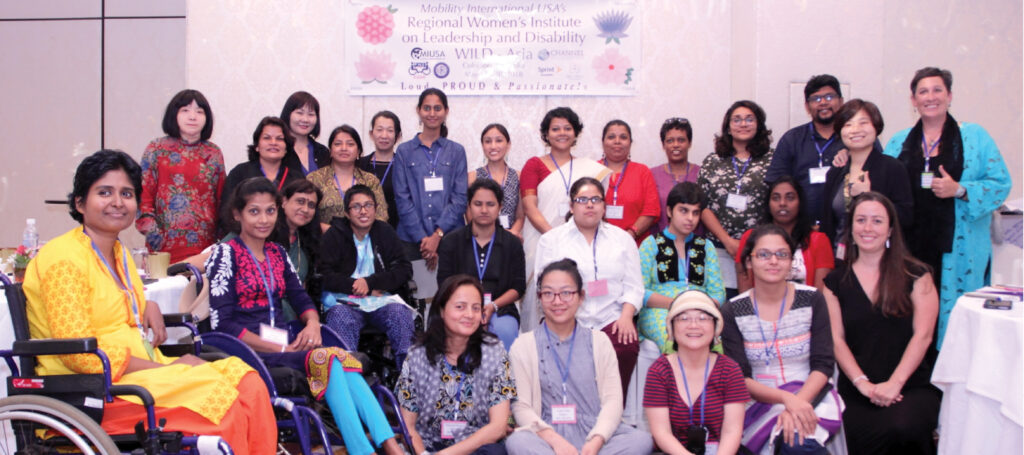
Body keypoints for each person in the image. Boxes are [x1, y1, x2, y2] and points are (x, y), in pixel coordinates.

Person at [24, 150, 276, 454]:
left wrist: (148, 304)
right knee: (220, 404)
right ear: (79, 203)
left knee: (248, 380)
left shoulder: (119, 254)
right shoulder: (63, 258)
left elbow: (118, 301)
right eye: (105, 192)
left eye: (126, 193)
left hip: (138, 375)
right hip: (93, 390)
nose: (118, 202)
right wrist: (162, 369)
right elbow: (80, 356)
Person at [206, 177, 403, 455]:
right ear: (237, 214)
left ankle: (391, 446)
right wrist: (281, 346)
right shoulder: (225, 254)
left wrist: (311, 323)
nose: (263, 219)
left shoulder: (276, 253)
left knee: (341, 359)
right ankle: (366, 451)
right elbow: (222, 324)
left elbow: (300, 297)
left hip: (284, 339)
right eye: (254, 211)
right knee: (329, 359)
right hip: (250, 350)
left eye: (270, 211)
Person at [882, 66, 1011, 348]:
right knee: (907, 319)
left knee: (956, 325)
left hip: (958, 247)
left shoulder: (975, 136)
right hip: (908, 248)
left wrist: (961, 190)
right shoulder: (898, 141)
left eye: (937, 90)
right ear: (913, 100)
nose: (931, 97)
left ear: (949, 95)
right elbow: (882, 186)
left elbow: (1001, 183)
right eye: (923, 91)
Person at [823, 192, 940, 454]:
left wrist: (894, 384)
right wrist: (863, 384)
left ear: (889, 230)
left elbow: (923, 336)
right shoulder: (833, 283)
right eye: (861, 220)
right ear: (851, 227)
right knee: (855, 430)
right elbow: (836, 340)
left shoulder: (917, 275)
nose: (867, 228)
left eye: (877, 221)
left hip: (910, 386)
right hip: (857, 389)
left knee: (901, 426)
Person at [507, 259, 653, 455]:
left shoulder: (599, 341)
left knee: (640, 440)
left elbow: (613, 401)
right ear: (540, 297)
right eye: (548, 293)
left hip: (594, 436)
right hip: (546, 437)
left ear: (581, 296)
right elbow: (522, 407)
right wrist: (556, 442)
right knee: (518, 442)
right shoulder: (523, 346)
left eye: (566, 293)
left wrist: (596, 442)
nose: (557, 301)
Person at [721, 224, 842, 454]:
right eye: (764, 255)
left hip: (811, 396)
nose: (773, 261)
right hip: (760, 404)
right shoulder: (733, 310)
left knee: (797, 442)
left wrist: (797, 404)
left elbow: (823, 364)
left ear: (791, 261)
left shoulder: (812, 299)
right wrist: (786, 400)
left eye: (782, 254)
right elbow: (741, 379)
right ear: (749, 262)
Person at [534, 177, 643, 399]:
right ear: (571, 206)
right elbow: (543, 288)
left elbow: (634, 285)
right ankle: (570, 409)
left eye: (595, 199)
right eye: (582, 199)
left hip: (611, 316)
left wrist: (626, 316)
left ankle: (612, 409)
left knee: (626, 344)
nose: (590, 204)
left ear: (604, 206)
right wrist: (562, 317)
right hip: (568, 317)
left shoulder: (623, 240)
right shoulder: (552, 240)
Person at [396, 274, 517, 455]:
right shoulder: (418, 354)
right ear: (442, 310)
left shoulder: (494, 352)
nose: (469, 315)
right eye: (460, 307)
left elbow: (498, 427)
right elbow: (408, 426)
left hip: (475, 446)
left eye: (476, 308)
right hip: (427, 446)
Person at [520, 107, 611, 332]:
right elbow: (529, 206)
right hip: (542, 238)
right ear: (546, 134)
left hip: (580, 240)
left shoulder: (591, 169)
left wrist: (572, 237)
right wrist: (554, 235)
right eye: (556, 129)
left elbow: (594, 208)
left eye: (567, 128)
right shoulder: (534, 165)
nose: (562, 133)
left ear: (575, 133)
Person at [319, 184, 416, 370]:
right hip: (345, 302)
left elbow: (404, 269)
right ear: (347, 213)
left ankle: (407, 381)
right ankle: (349, 378)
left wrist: (370, 283)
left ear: (376, 209)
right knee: (340, 318)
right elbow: (324, 275)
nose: (363, 211)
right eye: (356, 207)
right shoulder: (334, 235)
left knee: (400, 315)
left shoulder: (385, 232)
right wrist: (354, 285)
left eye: (368, 205)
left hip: (381, 300)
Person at [643, 291, 748, 455]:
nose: (693, 325)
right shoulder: (659, 371)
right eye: (684, 318)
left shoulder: (730, 370)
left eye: (703, 318)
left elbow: (732, 431)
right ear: (671, 327)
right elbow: (661, 433)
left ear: (715, 327)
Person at [136, 89, 225, 263]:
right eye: (185, 110)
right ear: (174, 114)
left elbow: (221, 199)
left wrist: (220, 242)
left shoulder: (213, 153)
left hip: (204, 247)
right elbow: (143, 195)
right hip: (163, 246)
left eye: (199, 112)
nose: (193, 116)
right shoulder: (156, 149)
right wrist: (154, 234)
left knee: (199, 290)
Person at [438, 179, 526, 351]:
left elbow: (518, 286)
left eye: (490, 204)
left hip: (500, 307)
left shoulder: (512, 243)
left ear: (500, 206)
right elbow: (444, 283)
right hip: (460, 306)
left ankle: (502, 377)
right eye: (478, 204)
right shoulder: (451, 241)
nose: (484, 210)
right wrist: (470, 308)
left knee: (505, 329)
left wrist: (492, 306)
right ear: (469, 206)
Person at [638, 182, 726, 354]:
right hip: (660, 310)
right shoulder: (651, 244)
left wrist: (697, 307)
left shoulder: (705, 246)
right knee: (675, 339)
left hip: (700, 310)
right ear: (670, 211)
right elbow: (639, 291)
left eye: (695, 213)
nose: (690, 219)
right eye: (683, 211)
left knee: (715, 345)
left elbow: (718, 293)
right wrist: (678, 305)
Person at [699, 100, 773, 297]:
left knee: (754, 305)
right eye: (737, 120)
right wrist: (728, 241)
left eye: (749, 119)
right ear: (728, 127)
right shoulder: (713, 160)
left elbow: (777, 201)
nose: (743, 124)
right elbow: (702, 205)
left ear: (758, 125)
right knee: (722, 303)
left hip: (759, 247)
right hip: (719, 247)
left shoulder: (772, 159)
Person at [392, 88, 468, 270]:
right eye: (427, 108)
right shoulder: (404, 151)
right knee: (414, 296)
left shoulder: (457, 151)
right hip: (411, 240)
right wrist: (423, 239)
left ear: (446, 111)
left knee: (450, 294)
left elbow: (460, 198)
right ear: (418, 110)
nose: (432, 113)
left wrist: (437, 235)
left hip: (450, 237)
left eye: (437, 108)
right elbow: (402, 198)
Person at [821, 99, 912, 250]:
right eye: (848, 124)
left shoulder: (893, 168)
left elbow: (906, 216)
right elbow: (827, 222)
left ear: (876, 127)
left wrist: (869, 196)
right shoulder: (836, 171)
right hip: (840, 258)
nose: (855, 129)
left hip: (881, 259)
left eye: (863, 123)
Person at [765, 75, 846, 225]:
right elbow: (776, 184)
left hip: (845, 228)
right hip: (802, 230)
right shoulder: (792, 139)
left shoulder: (854, 138)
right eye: (815, 99)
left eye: (829, 97)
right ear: (807, 106)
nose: (823, 102)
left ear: (841, 102)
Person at [736, 177, 834, 293]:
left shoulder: (818, 240)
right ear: (768, 204)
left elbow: (820, 295)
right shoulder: (750, 237)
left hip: (806, 309)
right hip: (760, 309)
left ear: (800, 203)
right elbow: (744, 291)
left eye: (790, 198)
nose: (782, 203)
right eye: (776, 198)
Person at [220, 116, 303, 234]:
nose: (273, 143)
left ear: (286, 148)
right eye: (267, 138)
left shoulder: (297, 178)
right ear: (257, 146)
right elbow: (226, 213)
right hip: (246, 241)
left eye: (279, 139)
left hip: (287, 242)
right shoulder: (240, 173)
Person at [307, 124, 388, 226]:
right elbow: (306, 213)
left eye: (350, 144)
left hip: (362, 239)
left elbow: (381, 216)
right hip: (324, 238)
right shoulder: (314, 179)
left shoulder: (370, 181)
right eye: (338, 144)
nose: (344, 148)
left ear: (358, 151)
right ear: (330, 150)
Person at [598, 119, 661, 244]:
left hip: (635, 243)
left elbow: (651, 210)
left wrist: (630, 235)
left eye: (623, 137)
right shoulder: (592, 170)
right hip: (598, 242)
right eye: (611, 137)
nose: (617, 141)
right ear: (603, 142)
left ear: (630, 143)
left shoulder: (642, 172)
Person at [469, 123, 525, 236]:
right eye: (488, 141)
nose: (493, 146)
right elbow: (470, 216)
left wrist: (511, 234)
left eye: (499, 141)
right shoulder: (472, 177)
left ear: (508, 145)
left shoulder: (519, 176)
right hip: (480, 238)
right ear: (482, 145)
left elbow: (520, 216)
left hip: (510, 238)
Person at [651, 117, 702, 234]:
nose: (675, 145)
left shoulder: (702, 174)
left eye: (681, 140)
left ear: (689, 143)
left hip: (695, 244)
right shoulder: (652, 175)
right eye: (670, 141)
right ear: (663, 145)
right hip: (661, 244)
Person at [358, 110, 403, 229]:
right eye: (379, 129)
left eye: (390, 130)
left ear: (398, 136)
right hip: (363, 228)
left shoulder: (404, 166)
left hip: (396, 230)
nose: (384, 135)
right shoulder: (359, 165)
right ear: (371, 134)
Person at [280, 90, 330, 175]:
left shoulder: (323, 152)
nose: (305, 119)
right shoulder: (279, 149)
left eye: (311, 114)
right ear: (288, 114)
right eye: (300, 113)